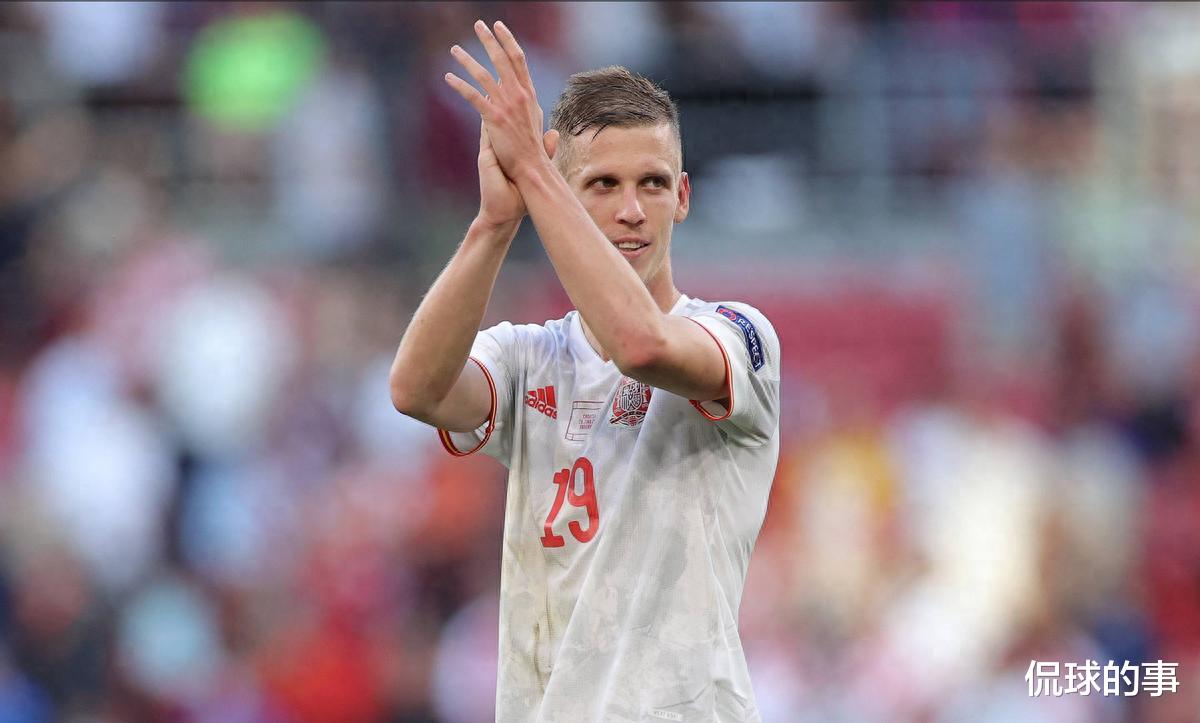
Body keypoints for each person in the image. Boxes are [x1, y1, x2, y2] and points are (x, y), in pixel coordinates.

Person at [390, 19, 780, 722]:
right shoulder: (527, 356)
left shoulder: (739, 335)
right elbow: (416, 390)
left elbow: (641, 345)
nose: (631, 210)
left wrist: (536, 171)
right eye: (601, 184)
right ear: (563, 198)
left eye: (653, 183)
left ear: (683, 197)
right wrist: (495, 223)